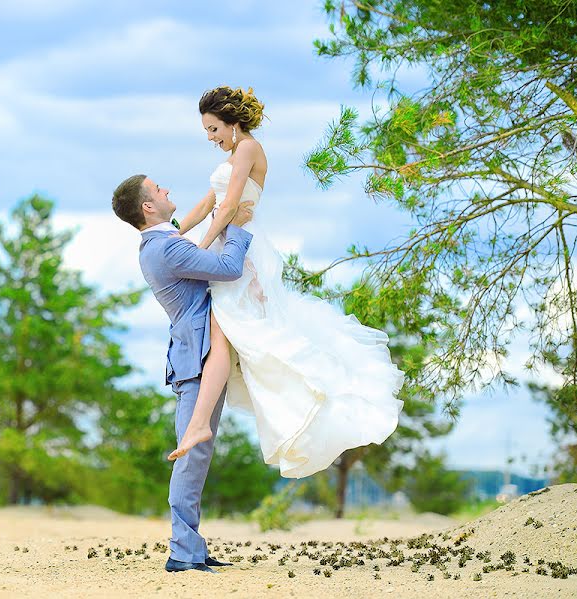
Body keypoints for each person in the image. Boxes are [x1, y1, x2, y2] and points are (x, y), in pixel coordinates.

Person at [168, 85, 406, 477]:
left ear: (231, 122)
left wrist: (201, 249)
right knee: (231, 332)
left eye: (213, 129)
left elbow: (229, 207)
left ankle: (205, 424)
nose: (210, 138)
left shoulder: (247, 148)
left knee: (233, 329)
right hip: (227, 241)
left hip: (242, 247)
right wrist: (177, 232)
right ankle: (201, 424)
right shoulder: (232, 153)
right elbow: (208, 203)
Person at [112, 174, 254, 573]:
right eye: (158, 190)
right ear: (147, 208)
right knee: (191, 453)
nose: (167, 191)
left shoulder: (164, 239)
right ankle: (182, 553)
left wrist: (226, 181)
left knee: (198, 453)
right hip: (197, 353)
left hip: (202, 349)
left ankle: (190, 546)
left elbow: (202, 211)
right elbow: (227, 268)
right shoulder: (164, 249)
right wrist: (239, 227)